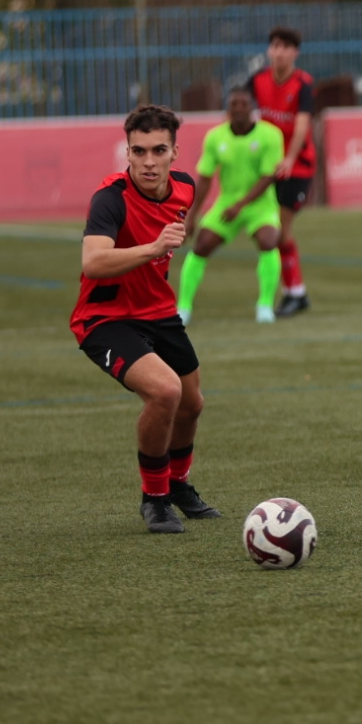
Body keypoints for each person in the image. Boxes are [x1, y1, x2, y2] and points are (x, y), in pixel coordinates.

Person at [71, 104, 221, 534]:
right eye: (139, 151)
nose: (148, 162)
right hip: (105, 318)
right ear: (128, 153)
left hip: (159, 312)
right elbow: (93, 262)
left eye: (158, 150)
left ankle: (178, 485)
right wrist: (154, 249)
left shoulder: (185, 188)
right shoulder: (110, 199)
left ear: (175, 153)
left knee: (192, 404)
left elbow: (175, 229)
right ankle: (154, 499)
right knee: (165, 391)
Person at [176, 85, 286, 324]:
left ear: (252, 107)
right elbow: (205, 179)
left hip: (260, 205)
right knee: (201, 246)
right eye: (233, 104)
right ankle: (183, 308)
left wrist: (241, 205)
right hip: (226, 204)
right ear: (227, 108)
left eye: (243, 104)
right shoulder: (215, 137)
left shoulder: (271, 135)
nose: (238, 109)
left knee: (268, 241)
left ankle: (265, 306)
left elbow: (268, 177)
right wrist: (191, 217)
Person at [246, 26, 316, 316]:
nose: (280, 52)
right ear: (269, 50)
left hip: (297, 167)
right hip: (267, 167)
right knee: (270, 230)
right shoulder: (257, 80)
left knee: (280, 229)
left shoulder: (303, 84)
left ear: (295, 52)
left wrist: (289, 158)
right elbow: (244, 115)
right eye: (276, 46)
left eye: (286, 47)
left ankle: (295, 292)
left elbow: (301, 125)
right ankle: (295, 292)